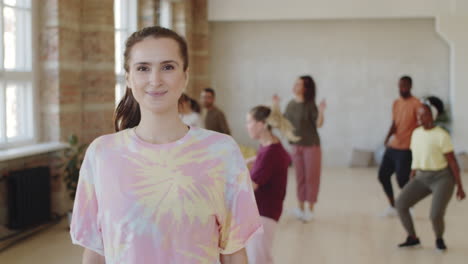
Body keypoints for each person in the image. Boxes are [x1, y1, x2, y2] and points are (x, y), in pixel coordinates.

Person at [70, 26, 262, 264]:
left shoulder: (221, 152)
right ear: (129, 78)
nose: (155, 80)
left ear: (185, 76)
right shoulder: (102, 154)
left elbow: (233, 253)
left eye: (168, 67)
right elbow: (95, 252)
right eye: (143, 68)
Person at [395, 96, 465, 250]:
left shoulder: (441, 135)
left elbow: (452, 162)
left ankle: (439, 239)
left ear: (432, 116)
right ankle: (413, 238)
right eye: (418, 114)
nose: (419, 117)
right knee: (400, 204)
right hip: (421, 177)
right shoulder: (416, 133)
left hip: (442, 178)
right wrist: (413, 173)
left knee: (435, 215)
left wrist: (460, 186)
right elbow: (416, 155)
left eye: (423, 114)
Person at [244, 104, 298, 264]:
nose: (246, 126)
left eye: (249, 122)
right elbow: (284, 158)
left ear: (261, 125)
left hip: (264, 214)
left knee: (259, 260)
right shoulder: (270, 145)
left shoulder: (271, 153)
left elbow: (251, 186)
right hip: (263, 211)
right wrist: (253, 161)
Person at [274, 75, 326, 222]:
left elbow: (318, 124)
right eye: (295, 83)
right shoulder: (290, 104)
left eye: (298, 84)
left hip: (311, 146)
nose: (295, 86)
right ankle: (300, 208)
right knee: (300, 177)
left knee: (311, 177)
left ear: (305, 88)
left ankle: (310, 210)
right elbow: (281, 123)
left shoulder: (310, 105)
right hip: (296, 146)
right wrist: (276, 105)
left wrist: (322, 110)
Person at [378, 76, 422, 217]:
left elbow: (421, 126)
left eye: (404, 86)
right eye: (400, 86)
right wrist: (387, 138)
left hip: (406, 148)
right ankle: (393, 206)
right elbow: (394, 123)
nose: (401, 89)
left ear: (410, 86)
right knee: (383, 175)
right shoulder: (396, 103)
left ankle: (410, 205)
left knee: (402, 180)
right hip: (393, 146)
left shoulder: (417, 104)